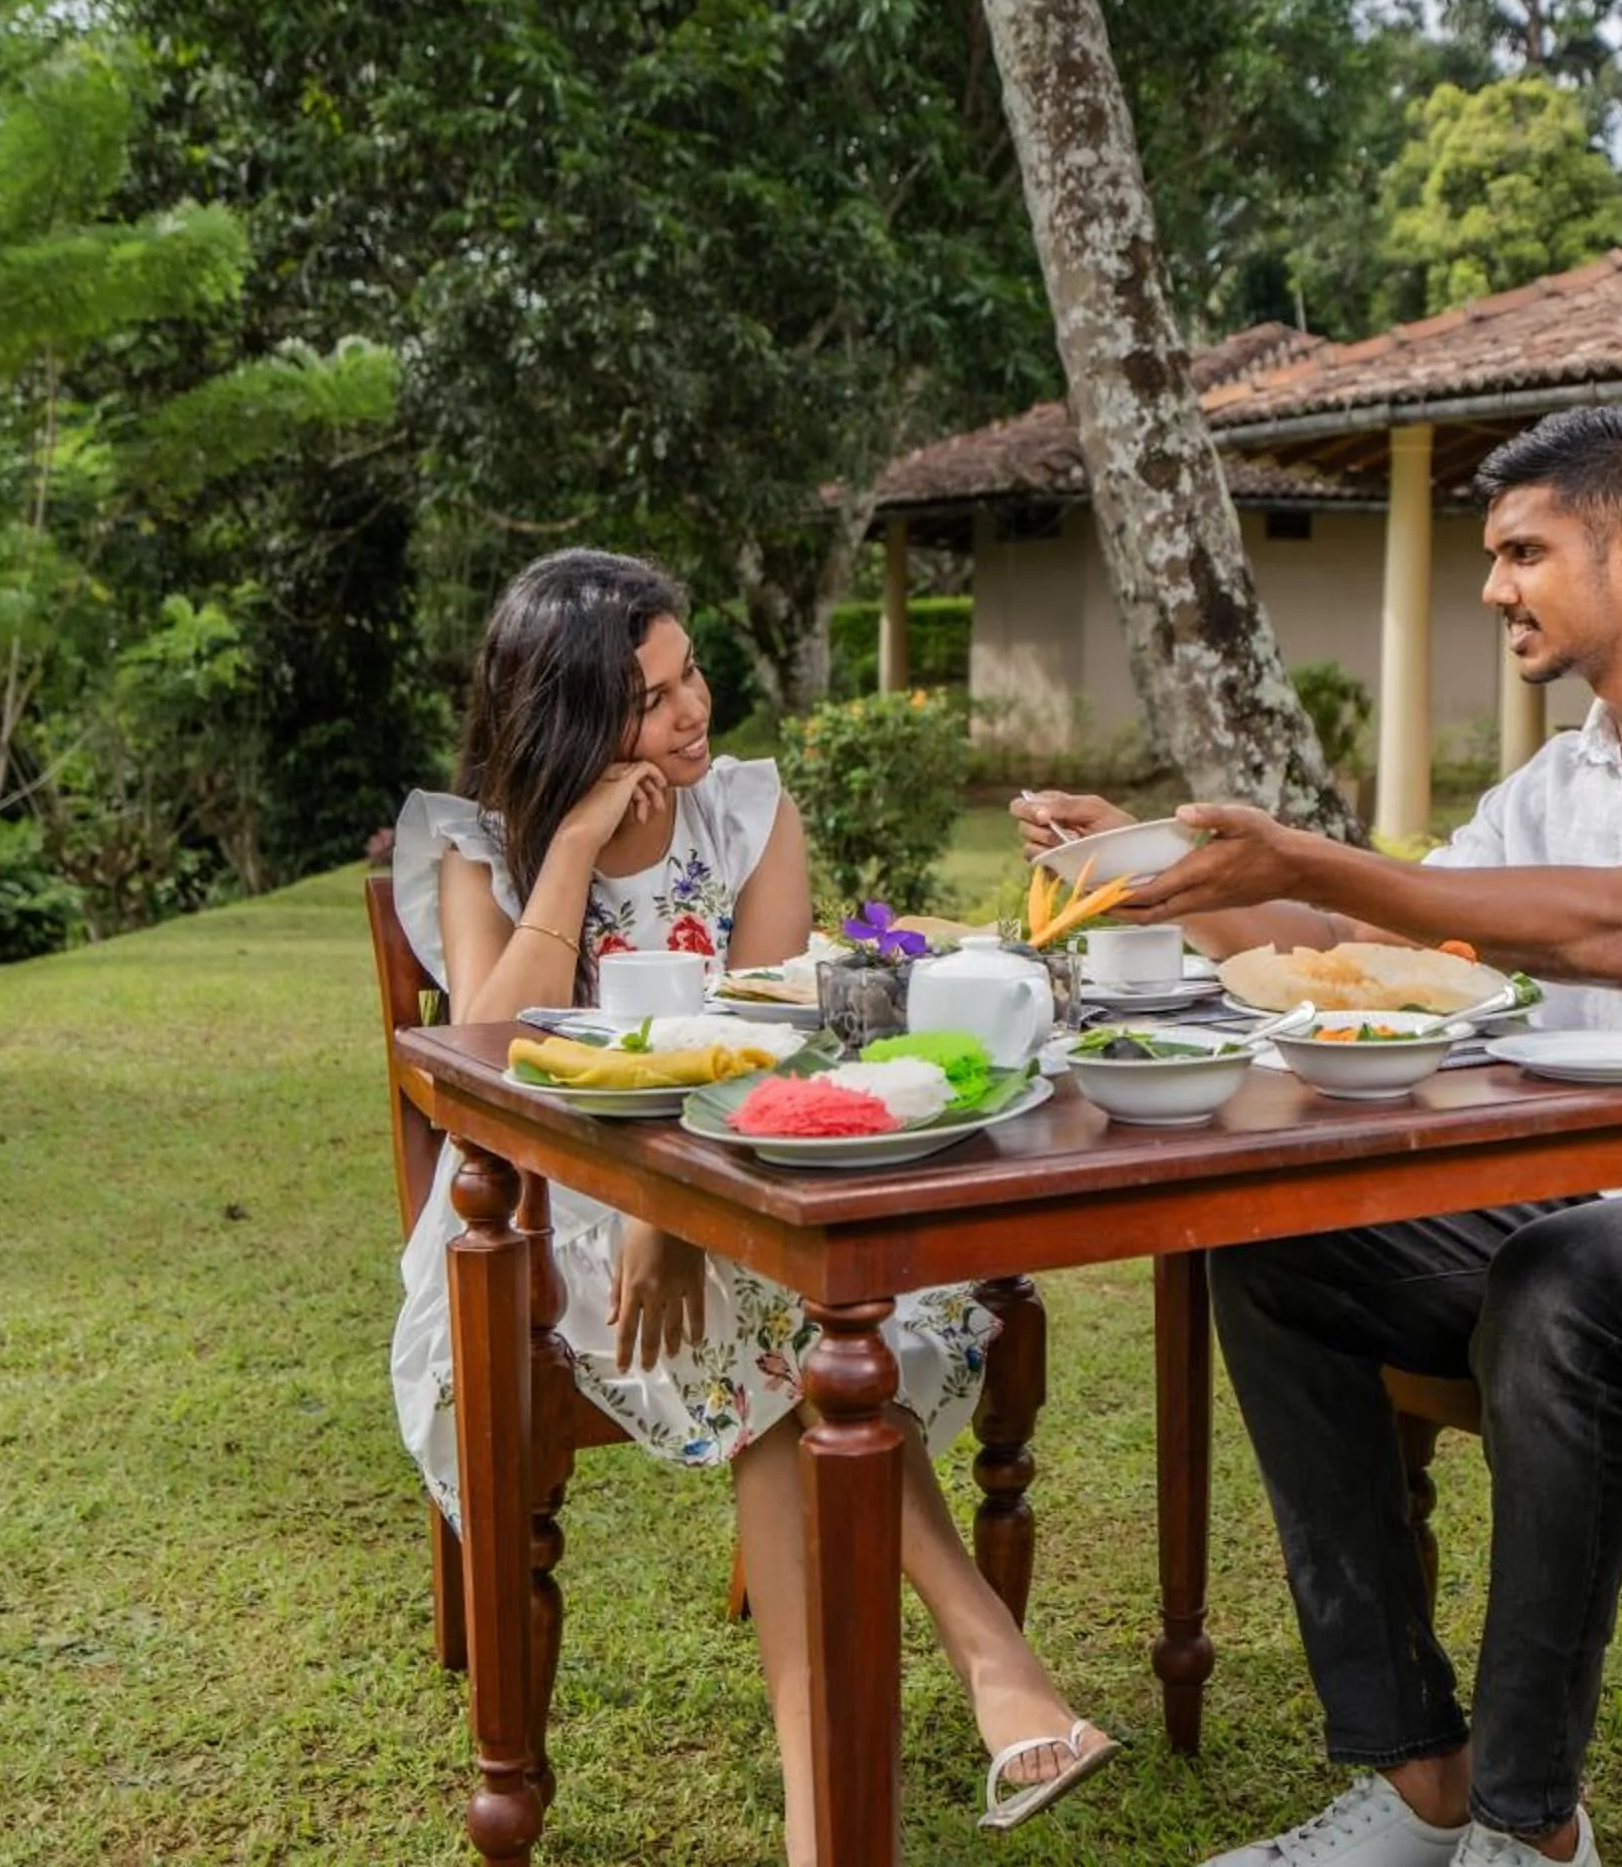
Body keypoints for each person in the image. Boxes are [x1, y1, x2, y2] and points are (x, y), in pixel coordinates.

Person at [1011, 408, 1622, 1867]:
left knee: (1565, 1280)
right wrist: (1155, 865)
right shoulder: (1565, 774)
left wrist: (1312, 851)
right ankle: (1420, 1774)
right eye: (1494, 555)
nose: (1496, 586)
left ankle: (1530, 1831)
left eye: (1525, 550)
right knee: (1273, 1245)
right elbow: (1363, 929)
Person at [390, 549, 1111, 1864]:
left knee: (789, 1334)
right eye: (651, 695)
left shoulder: (745, 809)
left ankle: (825, 1816)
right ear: (566, 716)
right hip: (543, 1224)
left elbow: (772, 1041)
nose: (692, 708)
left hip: (735, 1191)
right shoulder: (472, 837)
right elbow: (488, 1073)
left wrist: (683, 1203)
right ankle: (988, 1666)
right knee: (806, 1342)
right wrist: (569, 850)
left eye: (691, 671)